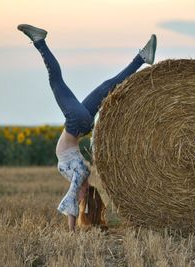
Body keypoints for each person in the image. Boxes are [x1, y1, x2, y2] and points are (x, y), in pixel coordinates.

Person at [17, 24, 157, 231]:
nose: (78, 197)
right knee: (56, 80)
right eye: (82, 198)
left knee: (105, 86)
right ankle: (40, 41)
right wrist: (72, 230)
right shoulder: (81, 177)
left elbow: (75, 200)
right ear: (85, 194)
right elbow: (70, 204)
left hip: (82, 125)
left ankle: (141, 59)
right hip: (76, 123)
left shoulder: (82, 175)